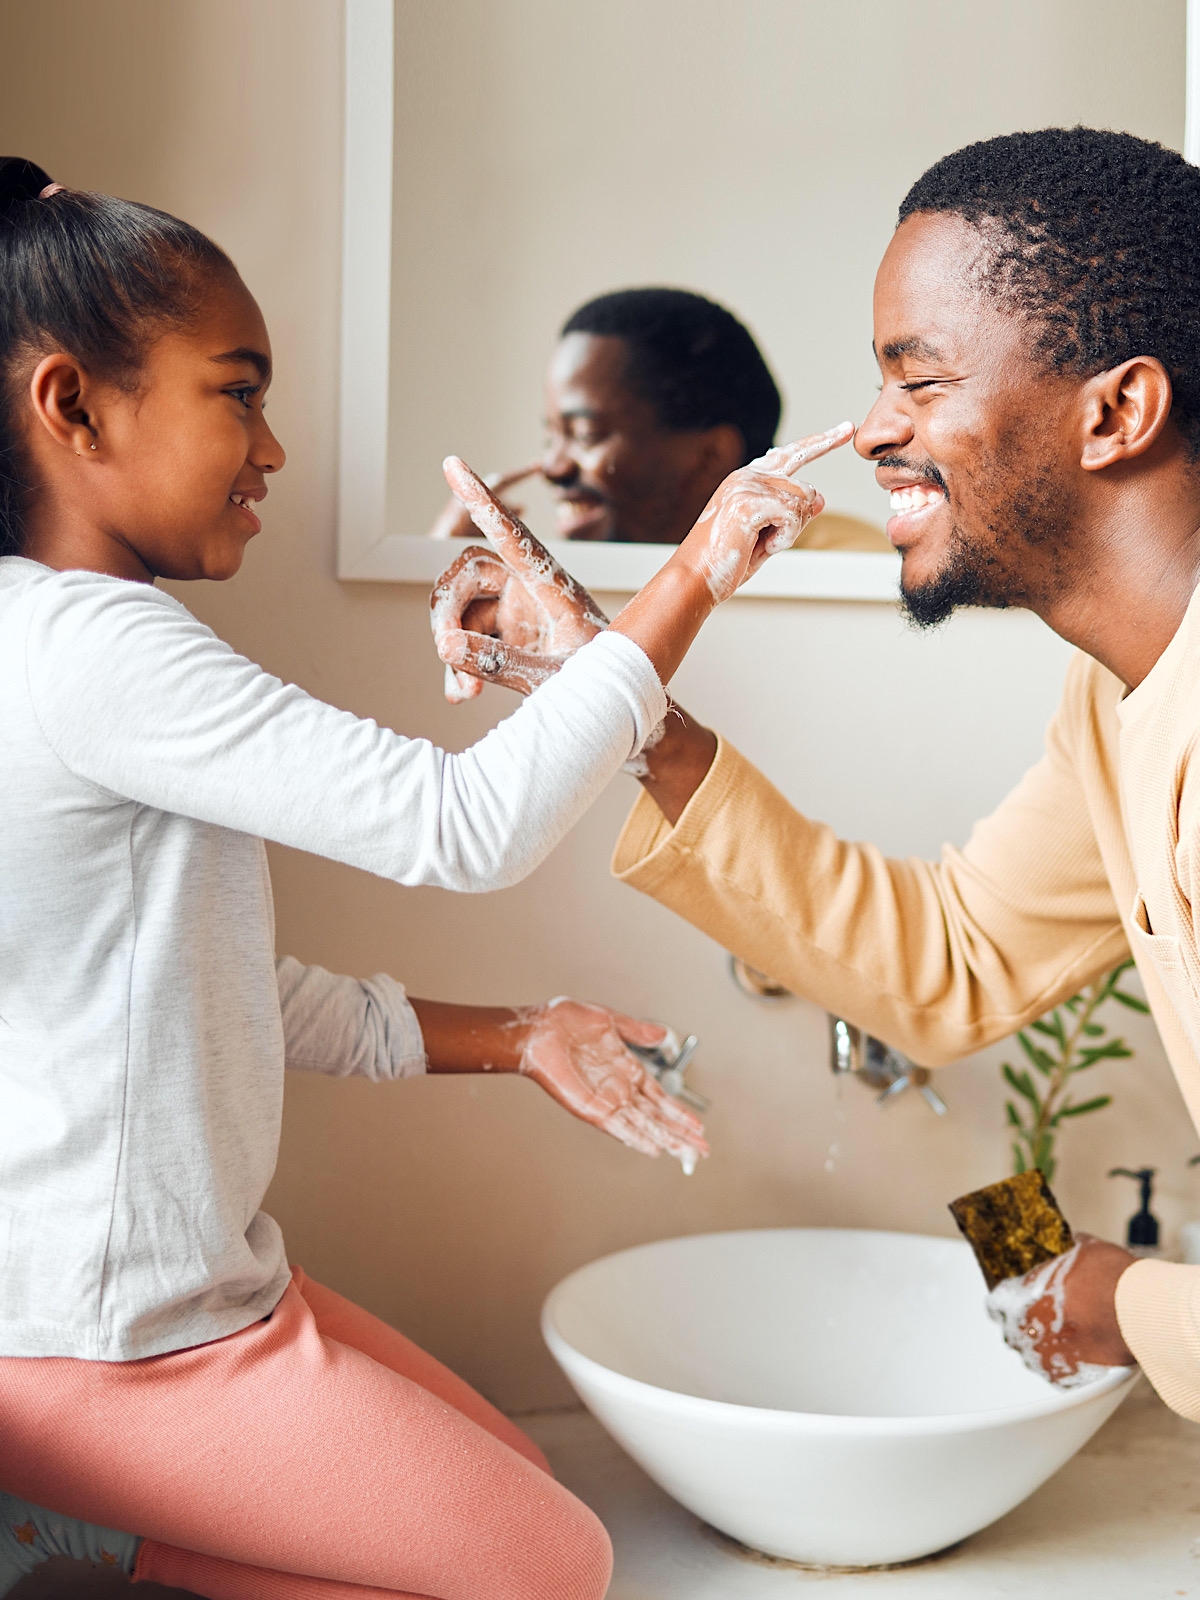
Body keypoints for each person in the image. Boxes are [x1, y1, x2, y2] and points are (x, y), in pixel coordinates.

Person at [0, 155, 850, 1600]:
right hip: (116, 1340)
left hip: (186, 1295)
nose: (273, 450)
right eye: (241, 391)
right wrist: (699, 566)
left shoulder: (54, 640)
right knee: (553, 1567)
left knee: (518, 1492)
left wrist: (523, 1040)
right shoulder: (98, 649)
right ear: (73, 403)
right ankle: (76, 1528)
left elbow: (216, 995)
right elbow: (466, 828)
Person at [433, 127, 1200, 1425]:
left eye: (919, 381)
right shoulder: (1115, 698)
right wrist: (628, 713)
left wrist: (1127, 1299)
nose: (872, 436)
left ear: (1116, 411)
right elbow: (948, 959)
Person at [428, 286, 888, 551]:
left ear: (710, 456)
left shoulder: (849, 568)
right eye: (552, 436)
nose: (553, 467)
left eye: (585, 434)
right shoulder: (552, 584)